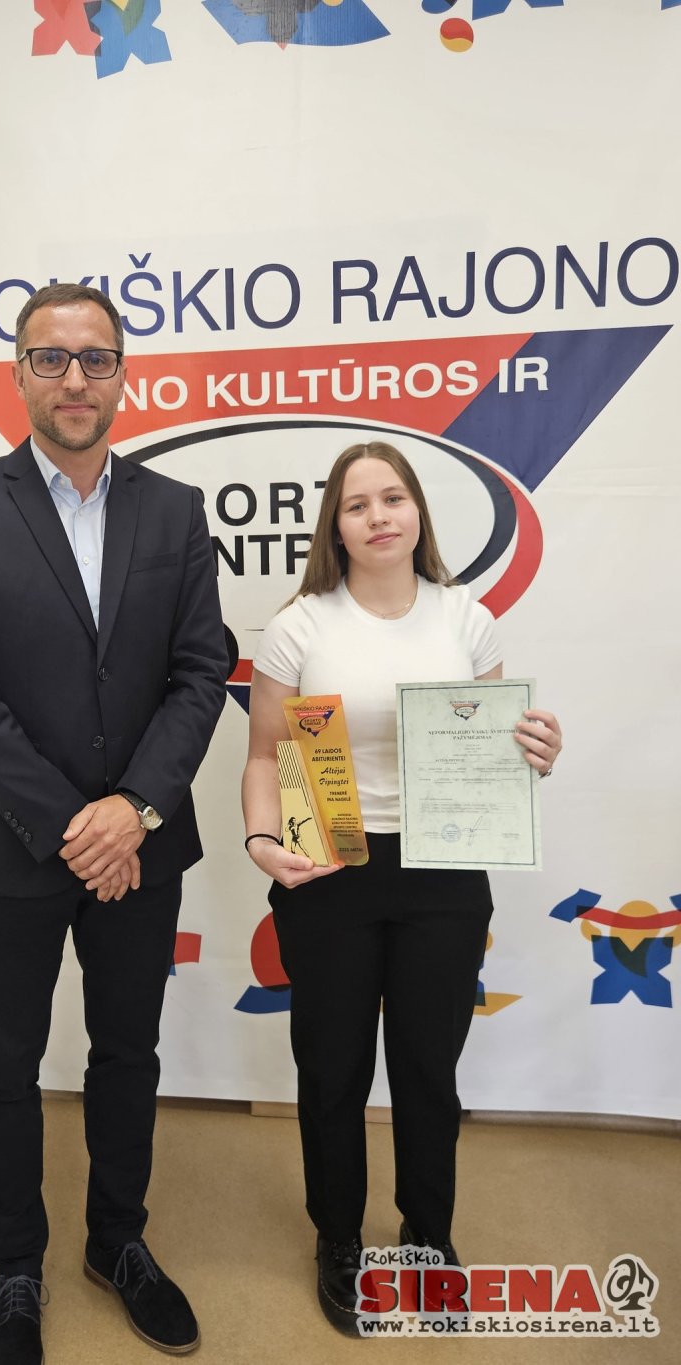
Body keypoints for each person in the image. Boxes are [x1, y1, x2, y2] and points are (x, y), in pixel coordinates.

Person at [0, 283, 228, 1364]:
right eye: (51, 358)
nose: (75, 378)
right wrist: (72, 824)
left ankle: (117, 1243)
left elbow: (199, 673)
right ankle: (15, 1267)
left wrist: (132, 810)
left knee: (126, 1051)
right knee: (3, 1062)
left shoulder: (174, 511)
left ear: (123, 374)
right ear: (19, 375)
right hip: (7, 843)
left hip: (143, 841)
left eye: (96, 358)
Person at [241, 440, 562, 1335]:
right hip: (328, 866)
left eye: (393, 497)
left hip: (444, 871)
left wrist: (536, 752)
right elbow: (264, 756)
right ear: (335, 528)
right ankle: (338, 1238)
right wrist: (262, 838)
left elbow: (498, 749)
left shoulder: (467, 618)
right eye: (357, 504)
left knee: (427, 1067)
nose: (378, 515)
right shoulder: (301, 626)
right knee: (333, 1067)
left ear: (418, 510)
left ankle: (428, 1234)